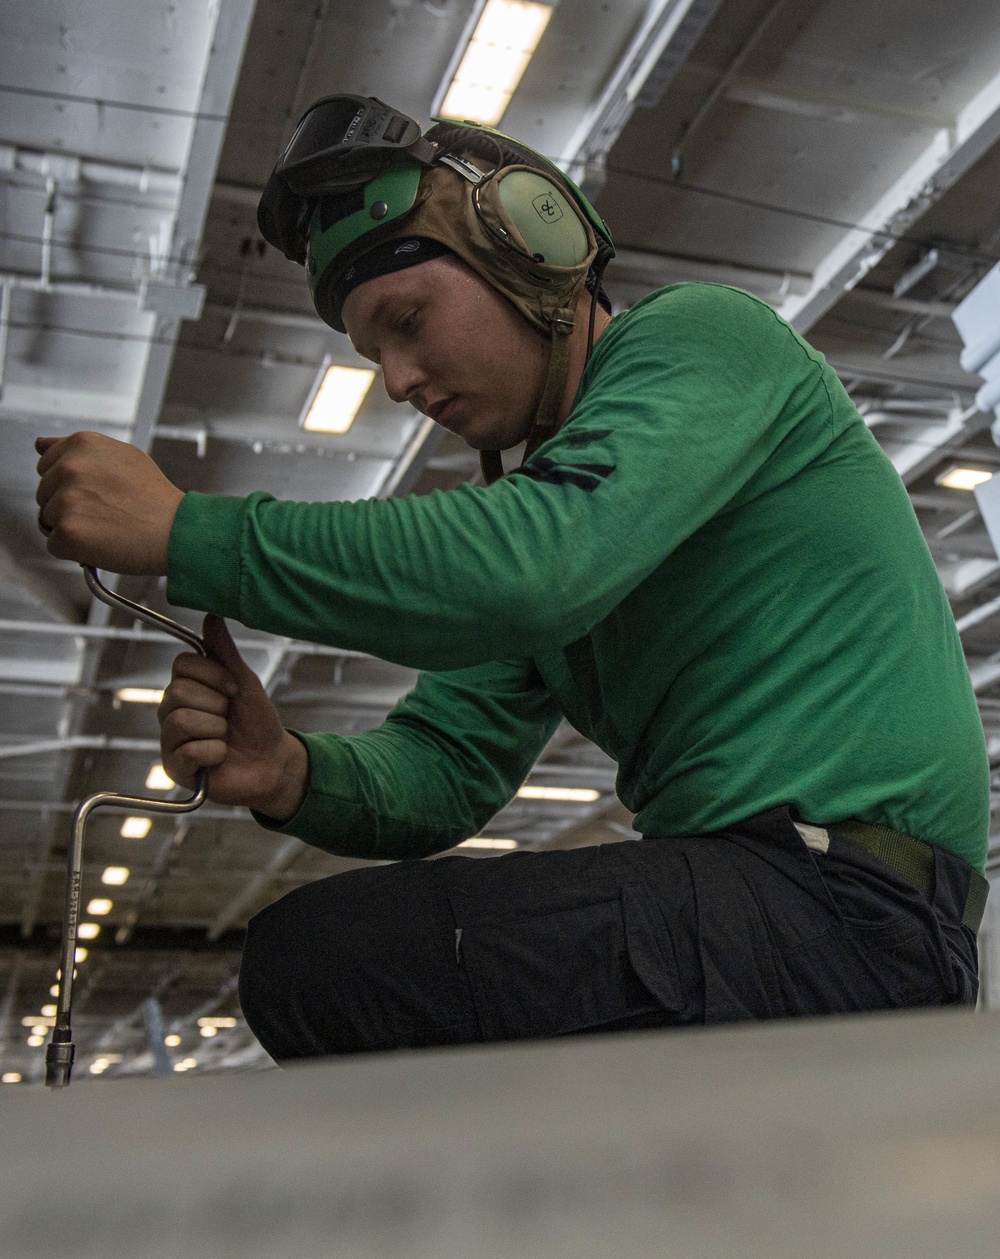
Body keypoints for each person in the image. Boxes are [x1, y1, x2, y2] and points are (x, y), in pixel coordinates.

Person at [35, 96, 989, 1061]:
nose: (399, 381)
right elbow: (445, 769)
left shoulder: (703, 339)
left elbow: (534, 570)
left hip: (854, 910)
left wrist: (186, 533)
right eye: (373, 356)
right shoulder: (555, 511)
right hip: (772, 908)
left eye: (407, 322)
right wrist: (289, 770)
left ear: (533, 250)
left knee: (328, 958)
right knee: (321, 954)